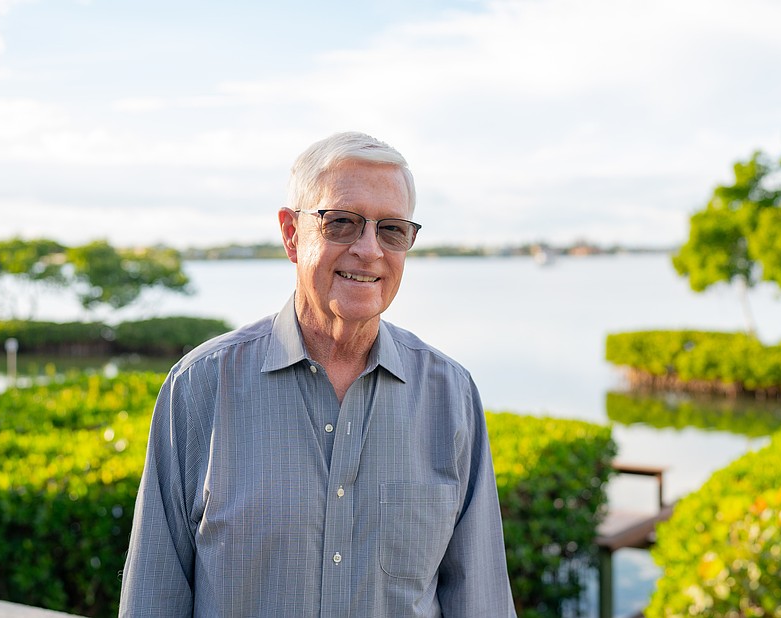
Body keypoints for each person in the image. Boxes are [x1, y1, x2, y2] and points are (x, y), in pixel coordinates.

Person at [120, 131, 517, 617]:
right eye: (342, 223)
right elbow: (151, 601)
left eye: (391, 229)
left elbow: (480, 604)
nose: (369, 250)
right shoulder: (199, 389)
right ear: (291, 233)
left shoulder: (451, 396)